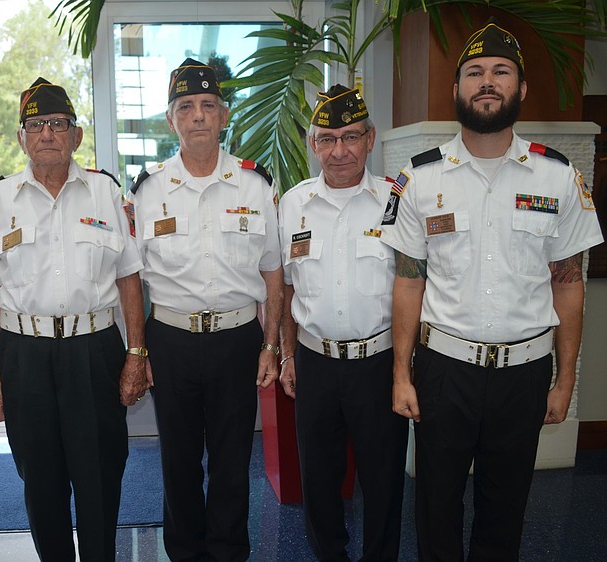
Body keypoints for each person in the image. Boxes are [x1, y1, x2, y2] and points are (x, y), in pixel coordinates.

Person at [380, 20, 603, 561]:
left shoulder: (557, 178)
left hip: (524, 374)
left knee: (506, 509)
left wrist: (565, 380)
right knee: (436, 506)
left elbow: (568, 285)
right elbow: (408, 281)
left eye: (501, 71)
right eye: (475, 72)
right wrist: (402, 373)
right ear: (456, 88)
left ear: (521, 88)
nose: (487, 81)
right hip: (444, 371)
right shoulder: (420, 178)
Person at [0, 77, 148, 562]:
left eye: (58, 124)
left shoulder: (106, 192)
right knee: (40, 482)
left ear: (76, 135)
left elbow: (129, 277)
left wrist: (136, 354)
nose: (46, 133)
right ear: (21, 137)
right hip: (24, 356)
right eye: (36, 125)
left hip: (94, 350)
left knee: (100, 476)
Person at [127, 58, 283, 561]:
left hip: (238, 339)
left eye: (208, 105)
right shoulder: (147, 191)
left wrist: (270, 345)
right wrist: (139, 351)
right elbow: (131, 278)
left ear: (224, 115)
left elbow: (273, 272)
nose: (197, 115)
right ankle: (186, 553)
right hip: (170, 340)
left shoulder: (254, 185)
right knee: (179, 461)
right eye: (186, 106)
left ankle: (229, 552)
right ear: (170, 118)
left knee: (233, 461)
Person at [278, 85, 408, 561]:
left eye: (351, 137)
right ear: (313, 144)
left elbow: (413, 285)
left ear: (370, 139)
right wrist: (287, 354)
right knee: (318, 479)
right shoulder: (293, 204)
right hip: (314, 362)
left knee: (384, 479)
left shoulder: (395, 200)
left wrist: (406, 367)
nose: (339, 151)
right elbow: (287, 288)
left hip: (378, 362)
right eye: (327, 139)